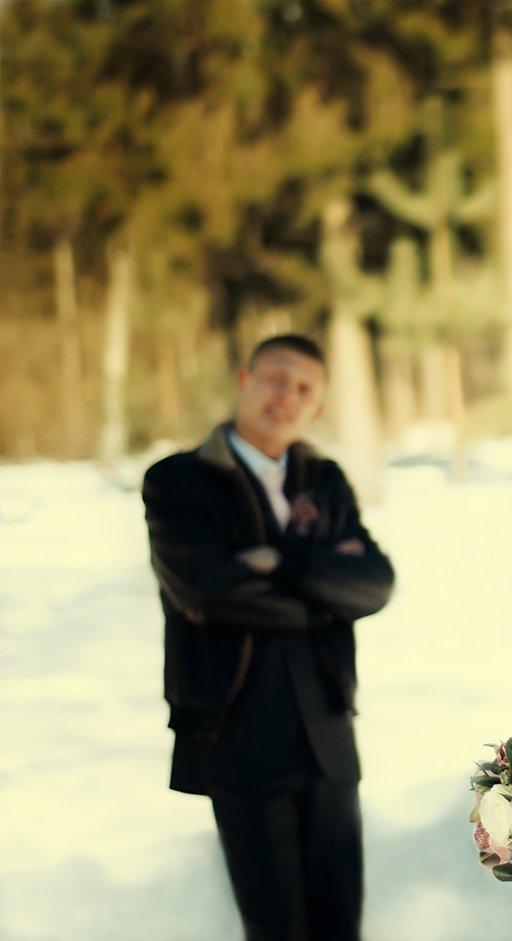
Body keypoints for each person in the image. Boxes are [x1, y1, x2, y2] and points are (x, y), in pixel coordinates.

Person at [142, 334, 395, 941]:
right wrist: (323, 599)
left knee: (340, 923)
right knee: (275, 927)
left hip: (328, 730)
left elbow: (374, 583)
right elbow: (208, 591)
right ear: (245, 380)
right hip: (238, 729)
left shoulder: (324, 480)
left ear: (318, 407)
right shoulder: (179, 481)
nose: (287, 397)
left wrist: (281, 563)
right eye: (276, 379)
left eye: (304, 388)